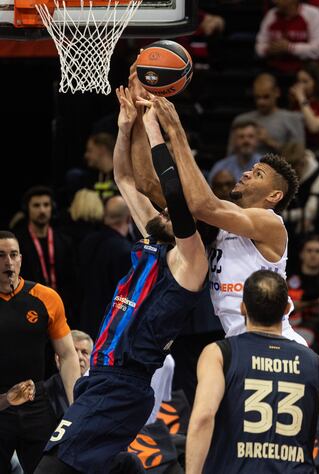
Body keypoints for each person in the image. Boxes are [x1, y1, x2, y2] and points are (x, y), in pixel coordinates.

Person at [34, 86, 208, 474]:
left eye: (170, 212)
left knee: (51, 466)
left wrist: (157, 130)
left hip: (123, 383)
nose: (160, 211)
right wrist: (125, 127)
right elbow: (124, 179)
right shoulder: (151, 244)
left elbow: (178, 199)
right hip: (100, 377)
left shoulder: (189, 264)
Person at [136, 94, 305, 344]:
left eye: (258, 174)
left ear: (274, 195)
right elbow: (146, 183)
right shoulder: (222, 218)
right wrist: (139, 117)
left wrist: (175, 130)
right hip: (238, 338)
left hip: (276, 340)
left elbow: (203, 205)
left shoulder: (271, 224)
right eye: (251, 169)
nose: (247, 173)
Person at [186, 270, 319, 473]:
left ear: (242, 308)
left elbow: (203, 418)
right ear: (287, 309)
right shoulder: (316, 363)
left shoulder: (219, 354)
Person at [0, 230, 80, 474]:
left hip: (35, 402)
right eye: (1, 255)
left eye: (14, 255)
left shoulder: (46, 297)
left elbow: (67, 355)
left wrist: (76, 406)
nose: (8, 262)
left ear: (22, 259)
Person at [15, 186, 75, 322]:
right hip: (28, 310)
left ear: (52, 208)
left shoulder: (65, 241)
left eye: (46, 205)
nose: (42, 210)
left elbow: (72, 279)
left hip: (60, 308)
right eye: (36, 205)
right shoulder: (18, 242)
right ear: (27, 209)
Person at [78, 195, 132, 340]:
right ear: (129, 218)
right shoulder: (125, 251)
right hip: (112, 329)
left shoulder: (86, 242)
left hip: (85, 321)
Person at [231, 74, 305, 155]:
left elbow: (298, 155)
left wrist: (270, 141)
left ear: (277, 92)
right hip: (247, 167)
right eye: (257, 97)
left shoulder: (293, 118)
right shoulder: (241, 121)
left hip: (278, 166)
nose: (261, 102)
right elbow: (231, 156)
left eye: (266, 97)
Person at [255, 0, 319, 74]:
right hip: (276, 69)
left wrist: (290, 48)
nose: (274, 1)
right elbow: (259, 46)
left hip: (307, 70)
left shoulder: (313, 14)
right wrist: (268, 50)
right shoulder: (271, 14)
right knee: (264, 82)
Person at [281, 141, 319, 236]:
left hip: (312, 227)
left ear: (303, 162)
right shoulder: (284, 172)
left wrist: (281, 215)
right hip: (284, 223)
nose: (289, 172)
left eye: (293, 166)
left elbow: (310, 212)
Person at [45, 330, 94, 422]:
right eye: (74, 351)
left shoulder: (95, 390)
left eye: (84, 352)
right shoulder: (45, 392)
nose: (79, 357)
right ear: (58, 358)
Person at [289, 61, 319, 147]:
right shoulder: (296, 101)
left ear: (317, 82)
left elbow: (314, 127)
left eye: (305, 82)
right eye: (299, 81)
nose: (301, 86)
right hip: (294, 147)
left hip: (315, 148)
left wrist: (301, 98)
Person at [65, 133, 118, 202]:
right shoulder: (87, 180)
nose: (86, 155)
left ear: (102, 149)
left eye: (89, 150)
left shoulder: (122, 177)